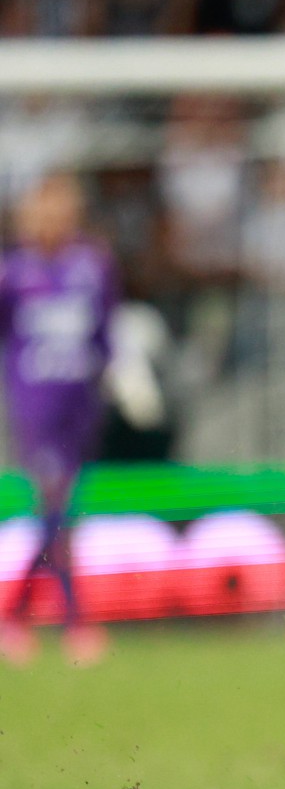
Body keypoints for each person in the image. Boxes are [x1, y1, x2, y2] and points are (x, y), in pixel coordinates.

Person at [0, 174, 116, 667]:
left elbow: (105, 335)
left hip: (80, 406)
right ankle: (72, 622)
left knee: (61, 514)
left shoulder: (94, 266)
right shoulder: (12, 273)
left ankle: (19, 618)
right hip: (36, 407)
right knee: (55, 511)